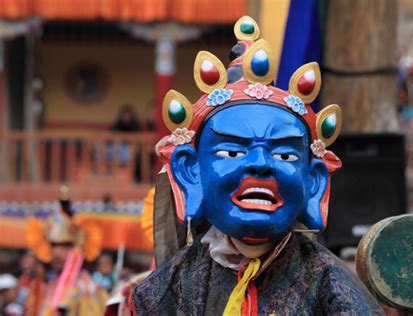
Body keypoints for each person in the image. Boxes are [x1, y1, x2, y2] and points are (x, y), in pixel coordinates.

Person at [131, 16, 383, 315]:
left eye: (285, 155)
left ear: (314, 181)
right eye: (233, 152)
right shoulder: (165, 290)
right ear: (190, 172)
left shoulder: (329, 285)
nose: (261, 164)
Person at [24, 186, 108, 315]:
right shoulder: (49, 285)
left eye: (64, 246)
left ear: (76, 248)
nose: (57, 253)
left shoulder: (87, 288)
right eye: (53, 246)